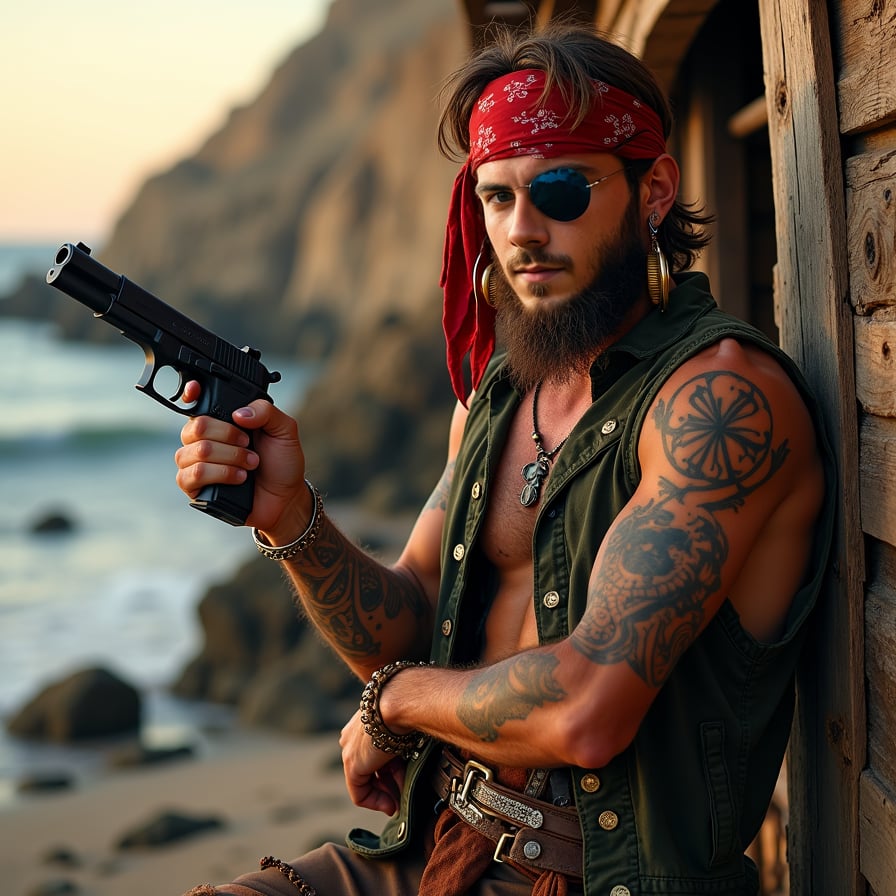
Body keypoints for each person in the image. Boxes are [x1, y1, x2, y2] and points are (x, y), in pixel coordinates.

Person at [176, 22, 834, 896]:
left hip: (596, 878)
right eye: (496, 197)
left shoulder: (720, 404)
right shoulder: (495, 399)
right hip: (432, 843)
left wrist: (397, 702)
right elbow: (408, 623)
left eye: (561, 190)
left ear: (654, 191)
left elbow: (588, 707)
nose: (522, 231)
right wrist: (290, 518)